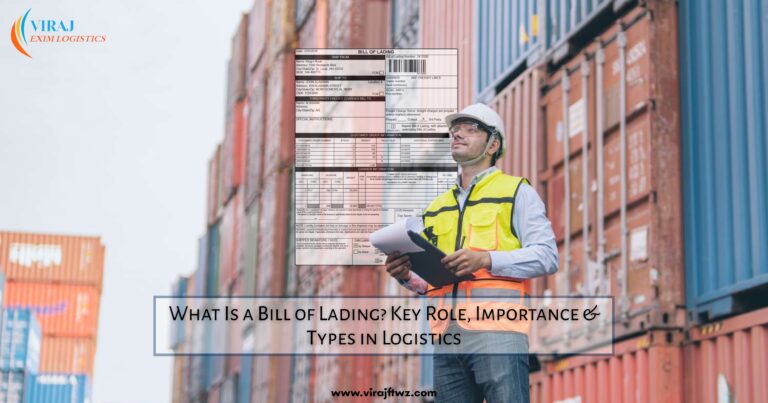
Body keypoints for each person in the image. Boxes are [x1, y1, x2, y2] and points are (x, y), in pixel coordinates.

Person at [384, 103, 558, 403]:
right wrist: (405, 275)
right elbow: (432, 282)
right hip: (446, 338)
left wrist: (486, 259)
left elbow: (547, 256)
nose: (458, 133)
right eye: (456, 128)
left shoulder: (516, 192)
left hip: (498, 333)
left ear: (494, 143)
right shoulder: (435, 208)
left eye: (471, 128)